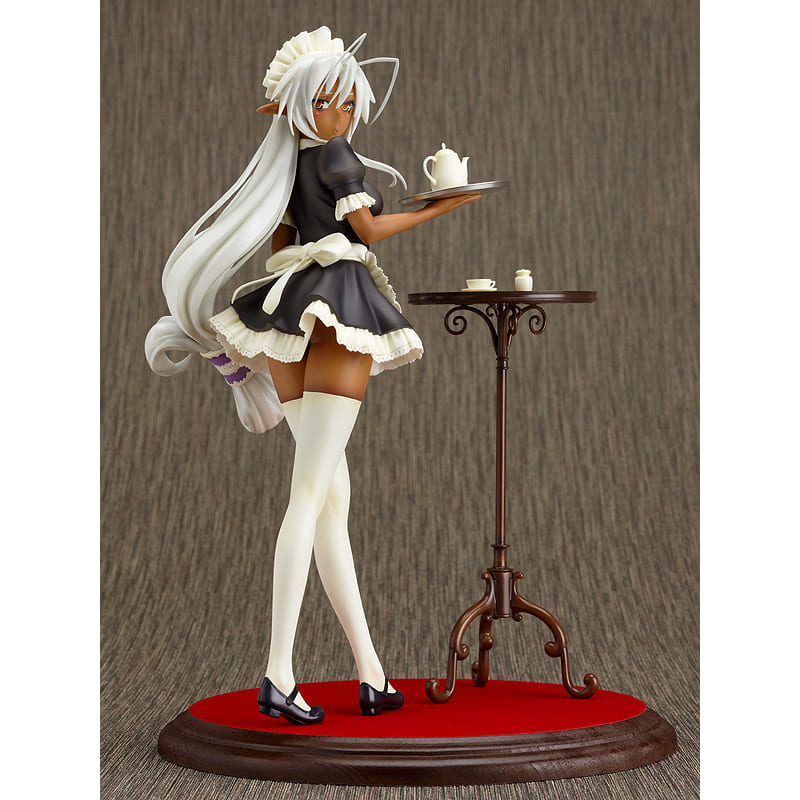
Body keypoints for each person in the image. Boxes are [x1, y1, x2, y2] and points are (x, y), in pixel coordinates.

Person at [145, 26, 478, 725]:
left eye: (349, 102)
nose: (344, 114)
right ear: (302, 105)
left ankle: (371, 673)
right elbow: (368, 232)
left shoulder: (288, 167)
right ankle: (278, 672)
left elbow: (279, 241)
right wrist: (440, 206)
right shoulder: (334, 154)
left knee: (331, 501)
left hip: (288, 317)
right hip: (334, 313)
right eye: (331, 102)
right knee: (307, 497)